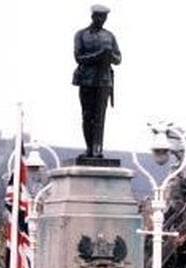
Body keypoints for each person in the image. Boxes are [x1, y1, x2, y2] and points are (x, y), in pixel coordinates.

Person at [73, 4, 121, 158]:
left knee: (100, 116)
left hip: (104, 80)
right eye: (99, 17)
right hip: (86, 79)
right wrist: (99, 55)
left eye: (104, 17)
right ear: (93, 16)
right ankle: (89, 148)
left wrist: (110, 56)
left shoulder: (109, 36)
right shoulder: (81, 35)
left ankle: (97, 148)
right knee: (87, 115)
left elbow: (118, 59)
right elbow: (79, 58)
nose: (102, 20)